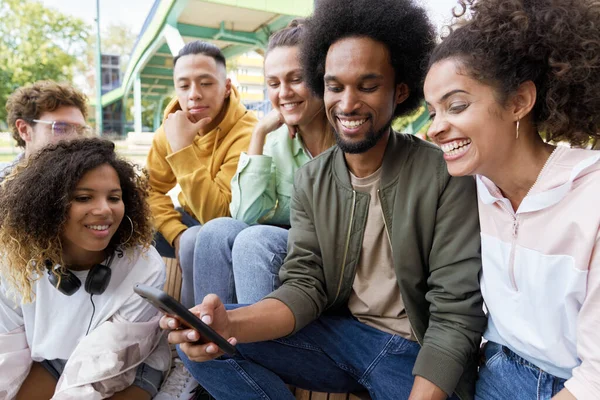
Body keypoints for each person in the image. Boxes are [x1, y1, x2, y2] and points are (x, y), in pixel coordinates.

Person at [161, 0, 487, 399]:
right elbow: (304, 284)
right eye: (334, 87)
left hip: (415, 353)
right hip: (343, 340)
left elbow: (455, 315)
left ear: (400, 90)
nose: (347, 104)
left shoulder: (443, 174)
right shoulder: (312, 178)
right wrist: (228, 323)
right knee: (205, 348)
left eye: (367, 86)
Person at [424, 0, 600, 399]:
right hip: (493, 369)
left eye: (456, 106)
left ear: (520, 101)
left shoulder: (592, 198)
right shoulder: (472, 188)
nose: (435, 128)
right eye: (432, 112)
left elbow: (596, 379)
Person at [178, 20, 335, 310]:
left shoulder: (348, 132)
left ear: (323, 77)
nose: (284, 93)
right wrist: (259, 135)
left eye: (296, 79)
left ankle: (260, 350)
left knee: (256, 239)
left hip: (327, 254)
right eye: (274, 84)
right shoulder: (273, 141)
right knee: (215, 231)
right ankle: (212, 343)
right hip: (286, 248)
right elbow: (245, 215)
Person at [0, 138, 170, 399]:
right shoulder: (13, 262)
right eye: (83, 197)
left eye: (114, 197)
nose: (104, 209)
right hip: (52, 358)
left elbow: (106, 365)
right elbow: (6, 355)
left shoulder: (144, 266)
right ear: (48, 206)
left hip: (129, 364)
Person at [146, 40, 256, 265]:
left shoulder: (248, 133)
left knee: (193, 241)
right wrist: (174, 232)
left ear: (226, 88)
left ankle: (191, 303)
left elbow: (220, 217)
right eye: (184, 86)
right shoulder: (169, 129)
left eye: (205, 83)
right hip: (188, 218)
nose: (194, 95)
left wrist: (182, 149)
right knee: (122, 224)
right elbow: (149, 189)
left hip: (236, 229)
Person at [1, 80, 91, 180]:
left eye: (81, 131)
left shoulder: (93, 184)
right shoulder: (3, 185)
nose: (75, 139)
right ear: (24, 130)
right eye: (61, 128)